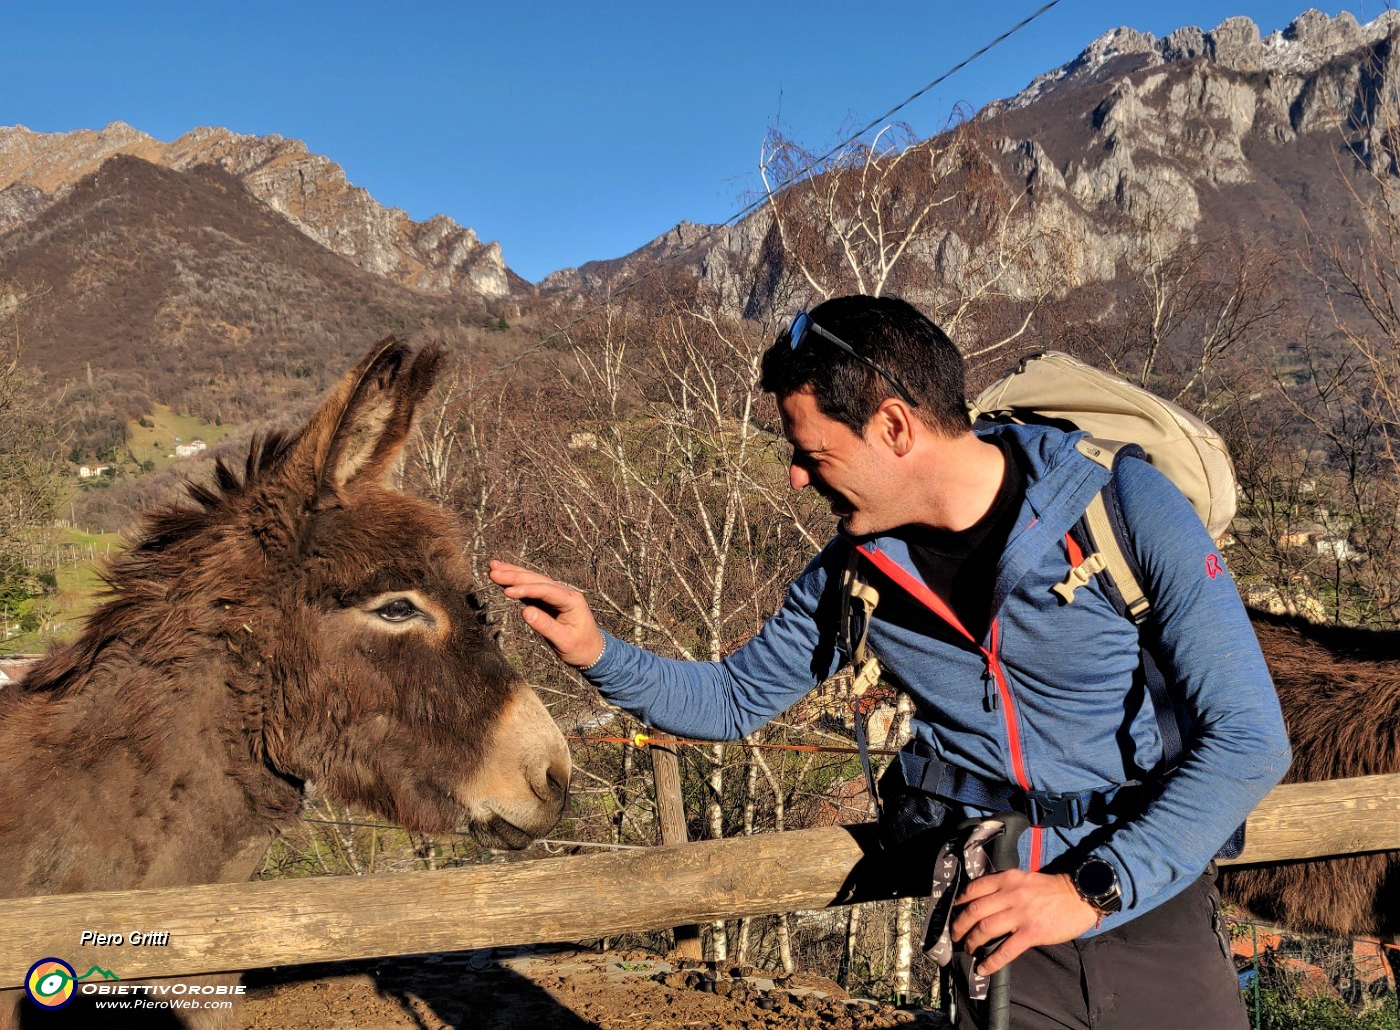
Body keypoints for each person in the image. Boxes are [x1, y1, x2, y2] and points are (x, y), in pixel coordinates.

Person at [490, 294, 1291, 1030]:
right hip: (996, 929)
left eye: (812, 451)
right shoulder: (856, 570)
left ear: (896, 428)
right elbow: (733, 701)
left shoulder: (1120, 507)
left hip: (1151, 900)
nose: (796, 476)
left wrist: (1090, 891)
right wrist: (597, 650)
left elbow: (1250, 737)